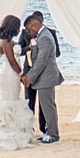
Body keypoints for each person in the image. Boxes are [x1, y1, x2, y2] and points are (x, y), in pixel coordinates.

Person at [0, 15, 40, 151]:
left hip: (11, 74)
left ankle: (15, 130)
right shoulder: (4, 41)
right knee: (10, 101)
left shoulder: (8, 40)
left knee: (14, 99)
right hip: (9, 73)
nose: (19, 29)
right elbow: (11, 60)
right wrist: (22, 75)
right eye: (17, 27)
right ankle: (7, 132)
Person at [23, 12, 63, 144]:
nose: (29, 33)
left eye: (29, 30)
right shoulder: (42, 35)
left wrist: (30, 77)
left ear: (34, 26)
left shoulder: (45, 37)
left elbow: (41, 61)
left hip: (47, 77)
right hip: (44, 77)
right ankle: (49, 131)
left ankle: (53, 134)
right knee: (47, 106)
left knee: (48, 106)